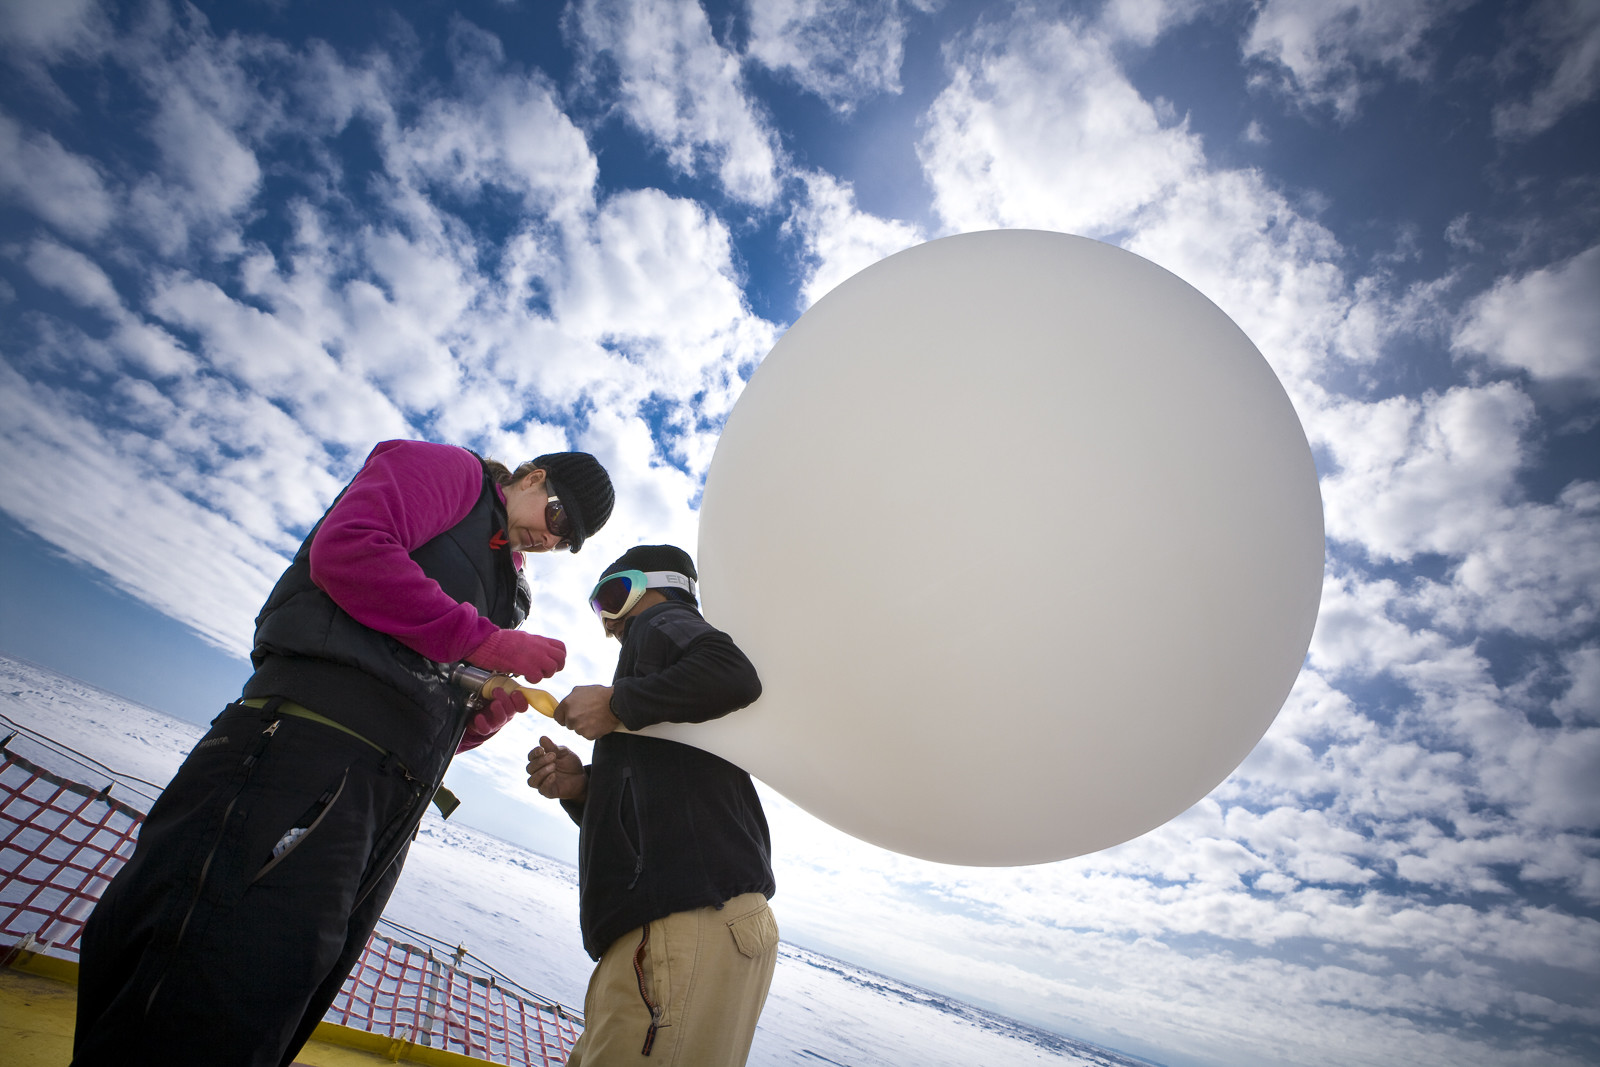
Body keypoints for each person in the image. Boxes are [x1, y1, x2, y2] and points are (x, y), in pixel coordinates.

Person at [72, 439, 614, 1067]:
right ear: (533, 478)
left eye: (566, 542)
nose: (553, 540)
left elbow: (433, 689)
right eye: (557, 517)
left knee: (279, 997)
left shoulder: (508, 588)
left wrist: (482, 714)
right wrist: (485, 641)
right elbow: (350, 551)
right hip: (306, 750)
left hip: (386, 803)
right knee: (206, 983)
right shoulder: (451, 475)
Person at [527, 544, 777, 1067]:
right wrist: (583, 789)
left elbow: (735, 674)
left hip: (683, 924)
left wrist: (617, 702)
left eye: (611, 598)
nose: (608, 624)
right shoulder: (664, 686)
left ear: (654, 586)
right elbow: (666, 786)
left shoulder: (664, 620)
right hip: (678, 928)